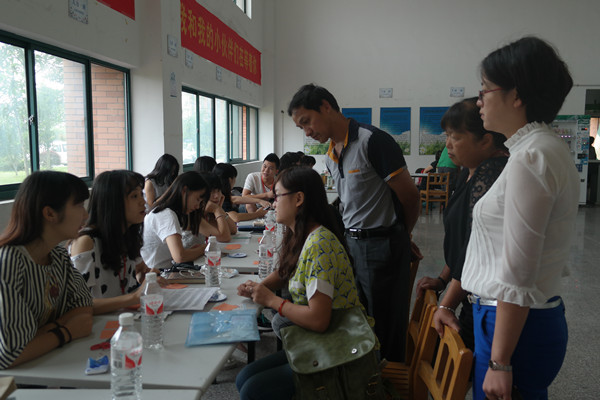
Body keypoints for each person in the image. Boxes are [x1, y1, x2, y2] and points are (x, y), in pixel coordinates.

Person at [460, 36, 578, 400]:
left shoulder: (531, 157)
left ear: (517, 96)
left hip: (512, 326)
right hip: (519, 320)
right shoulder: (539, 148)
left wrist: (500, 362)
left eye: (485, 89)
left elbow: (518, 271)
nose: (479, 101)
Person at [288, 84, 420, 362]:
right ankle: (363, 372)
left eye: (307, 122)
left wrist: (401, 235)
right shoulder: (330, 155)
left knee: (384, 321)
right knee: (359, 316)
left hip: (382, 243)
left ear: (326, 107)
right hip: (351, 243)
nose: (307, 132)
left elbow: (410, 196)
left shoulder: (372, 141)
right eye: (301, 127)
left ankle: (387, 377)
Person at [235, 167, 368, 399]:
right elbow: (285, 273)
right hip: (320, 338)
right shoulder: (304, 235)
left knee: (252, 390)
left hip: (339, 346)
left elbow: (318, 320)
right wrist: (260, 287)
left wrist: (271, 300)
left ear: (298, 199)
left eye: (278, 196)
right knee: (243, 377)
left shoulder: (320, 245)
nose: (273, 203)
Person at [414, 97, 509, 351]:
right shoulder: (468, 171)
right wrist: (443, 279)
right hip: (469, 294)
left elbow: (473, 247)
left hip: (489, 302)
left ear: (485, 140)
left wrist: (447, 303)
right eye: (447, 136)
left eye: (455, 137)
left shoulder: (492, 173)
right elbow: (460, 239)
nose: (447, 145)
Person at [0, 171, 93, 369]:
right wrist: (66, 331)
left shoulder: (58, 256)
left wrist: (46, 331)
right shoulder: (9, 262)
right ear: (50, 213)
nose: (85, 215)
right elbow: (11, 354)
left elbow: (84, 307)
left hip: (46, 364)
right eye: (78, 205)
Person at [70, 170, 164, 315]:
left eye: (141, 194)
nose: (143, 202)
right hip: (99, 324)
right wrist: (134, 297)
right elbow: (80, 304)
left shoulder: (127, 234)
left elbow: (140, 271)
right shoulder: (86, 242)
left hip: (126, 317)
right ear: (113, 202)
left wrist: (148, 278)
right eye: (134, 196)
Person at [141, 171, 211, 269]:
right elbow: (180, 256)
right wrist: (205, 248)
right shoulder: (166, 214)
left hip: (165, 269)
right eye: (197, 200)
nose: (197, 206)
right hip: (159, 273)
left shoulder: (164, 211)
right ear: (184, 191)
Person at [198, 172, 237, 240]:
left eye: (218, 191)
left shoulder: (210, 212)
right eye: (211, 192)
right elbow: (224, 238)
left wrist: (219, 209)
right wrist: (217, 209)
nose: (216, 196)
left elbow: (233, 230)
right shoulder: (195, 214)